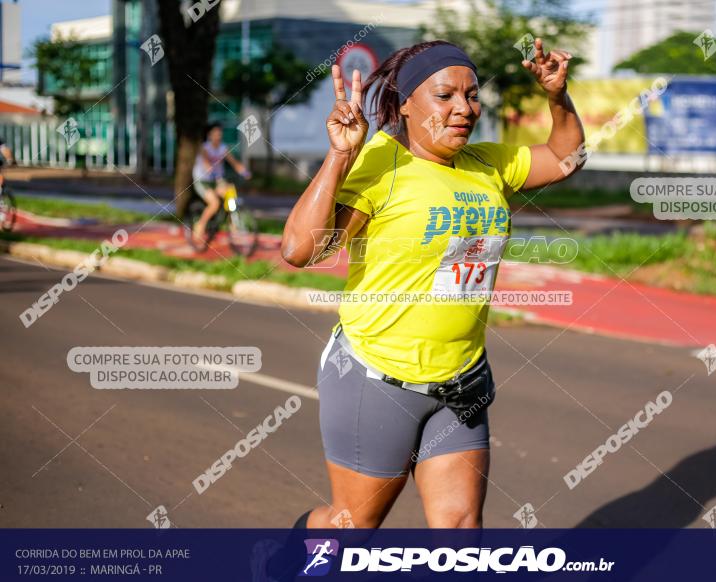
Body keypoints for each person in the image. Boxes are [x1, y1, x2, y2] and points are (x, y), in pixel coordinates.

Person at [280, 38, 584, 529]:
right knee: (350, 529)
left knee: (462, 534)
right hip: (377, 376)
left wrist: (557, 96)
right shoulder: (381, 164)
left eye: (472, 95)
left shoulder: (486, 164)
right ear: (405, 103)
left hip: (462, 380)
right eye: (445, 96)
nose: (464, 108)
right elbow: (301, 250)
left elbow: (568, 157)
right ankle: (285, 560)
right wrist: (340, 157)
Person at [191, 123, 248, 243]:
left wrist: (243, 171)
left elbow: (233, 162)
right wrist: (209, 168)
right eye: (215, 134)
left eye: (219, 134)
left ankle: (233, 223)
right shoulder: (205, 147)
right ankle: (200, 225)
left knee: (230, 194)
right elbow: (206, 161)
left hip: (216, 180)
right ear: (209, 135)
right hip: (203, 180)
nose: (218, 136)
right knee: (214, 203)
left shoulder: (223, 148)